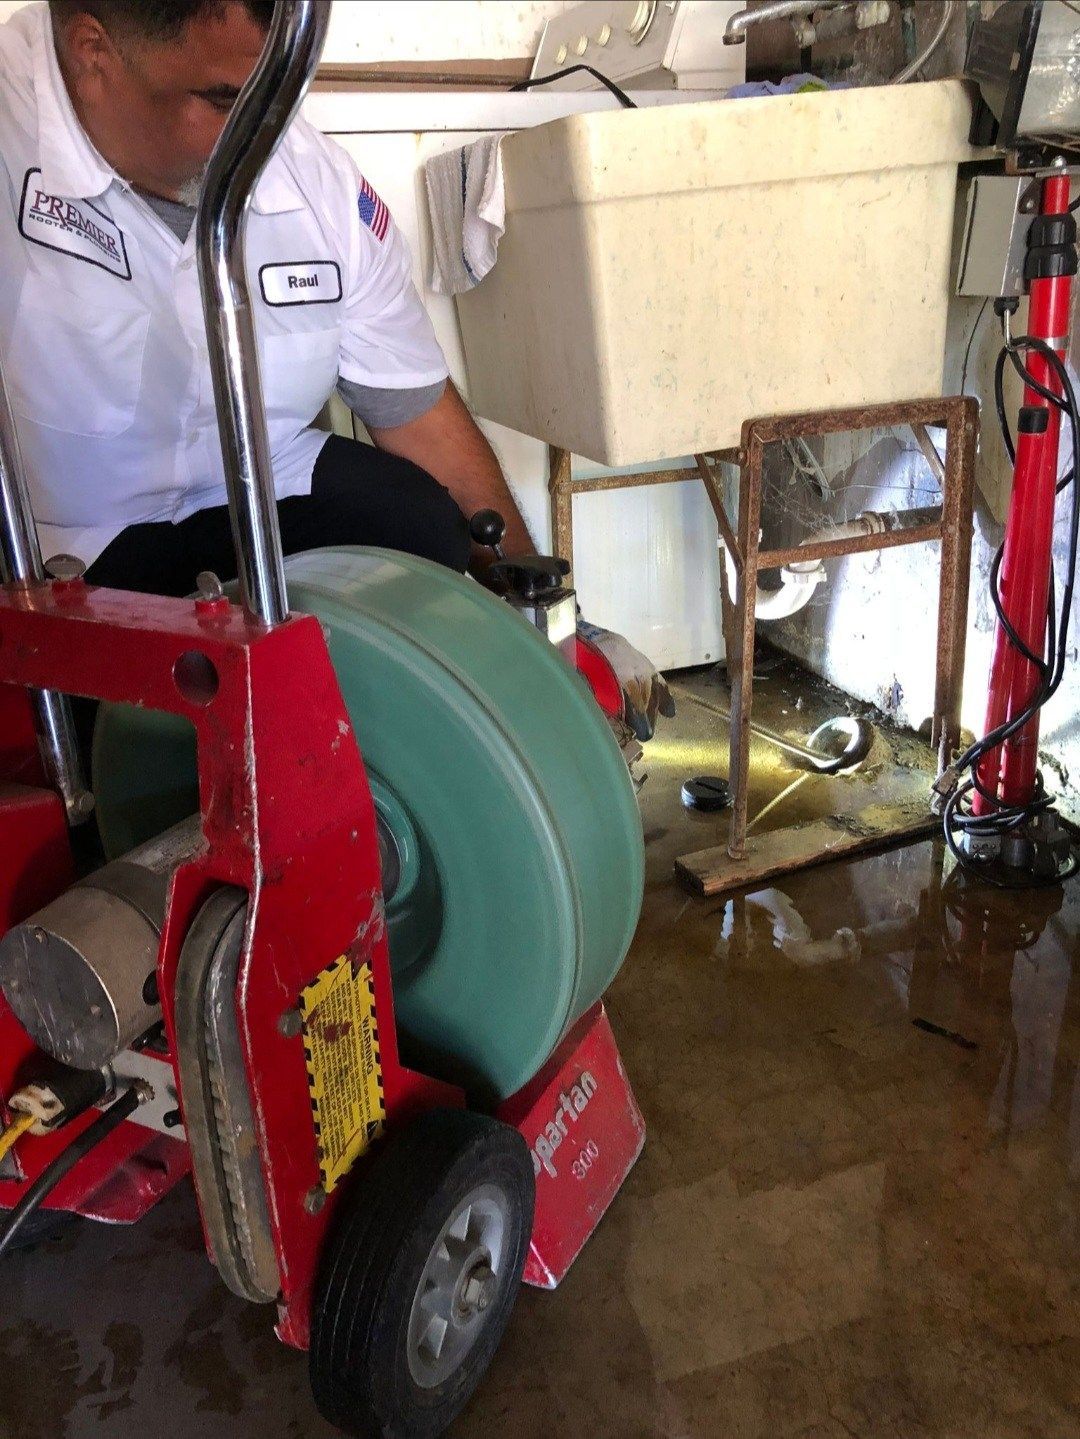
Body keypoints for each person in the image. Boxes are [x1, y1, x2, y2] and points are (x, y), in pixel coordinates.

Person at [0, 0, 672, 737]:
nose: (268, 135)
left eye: (279, 91)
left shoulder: (312, 181)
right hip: (67, 547)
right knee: (117, 734)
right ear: (94, 53)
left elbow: (420, 417)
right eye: (228, 100)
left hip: (265, 484)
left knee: (426, 531)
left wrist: (551, 625)